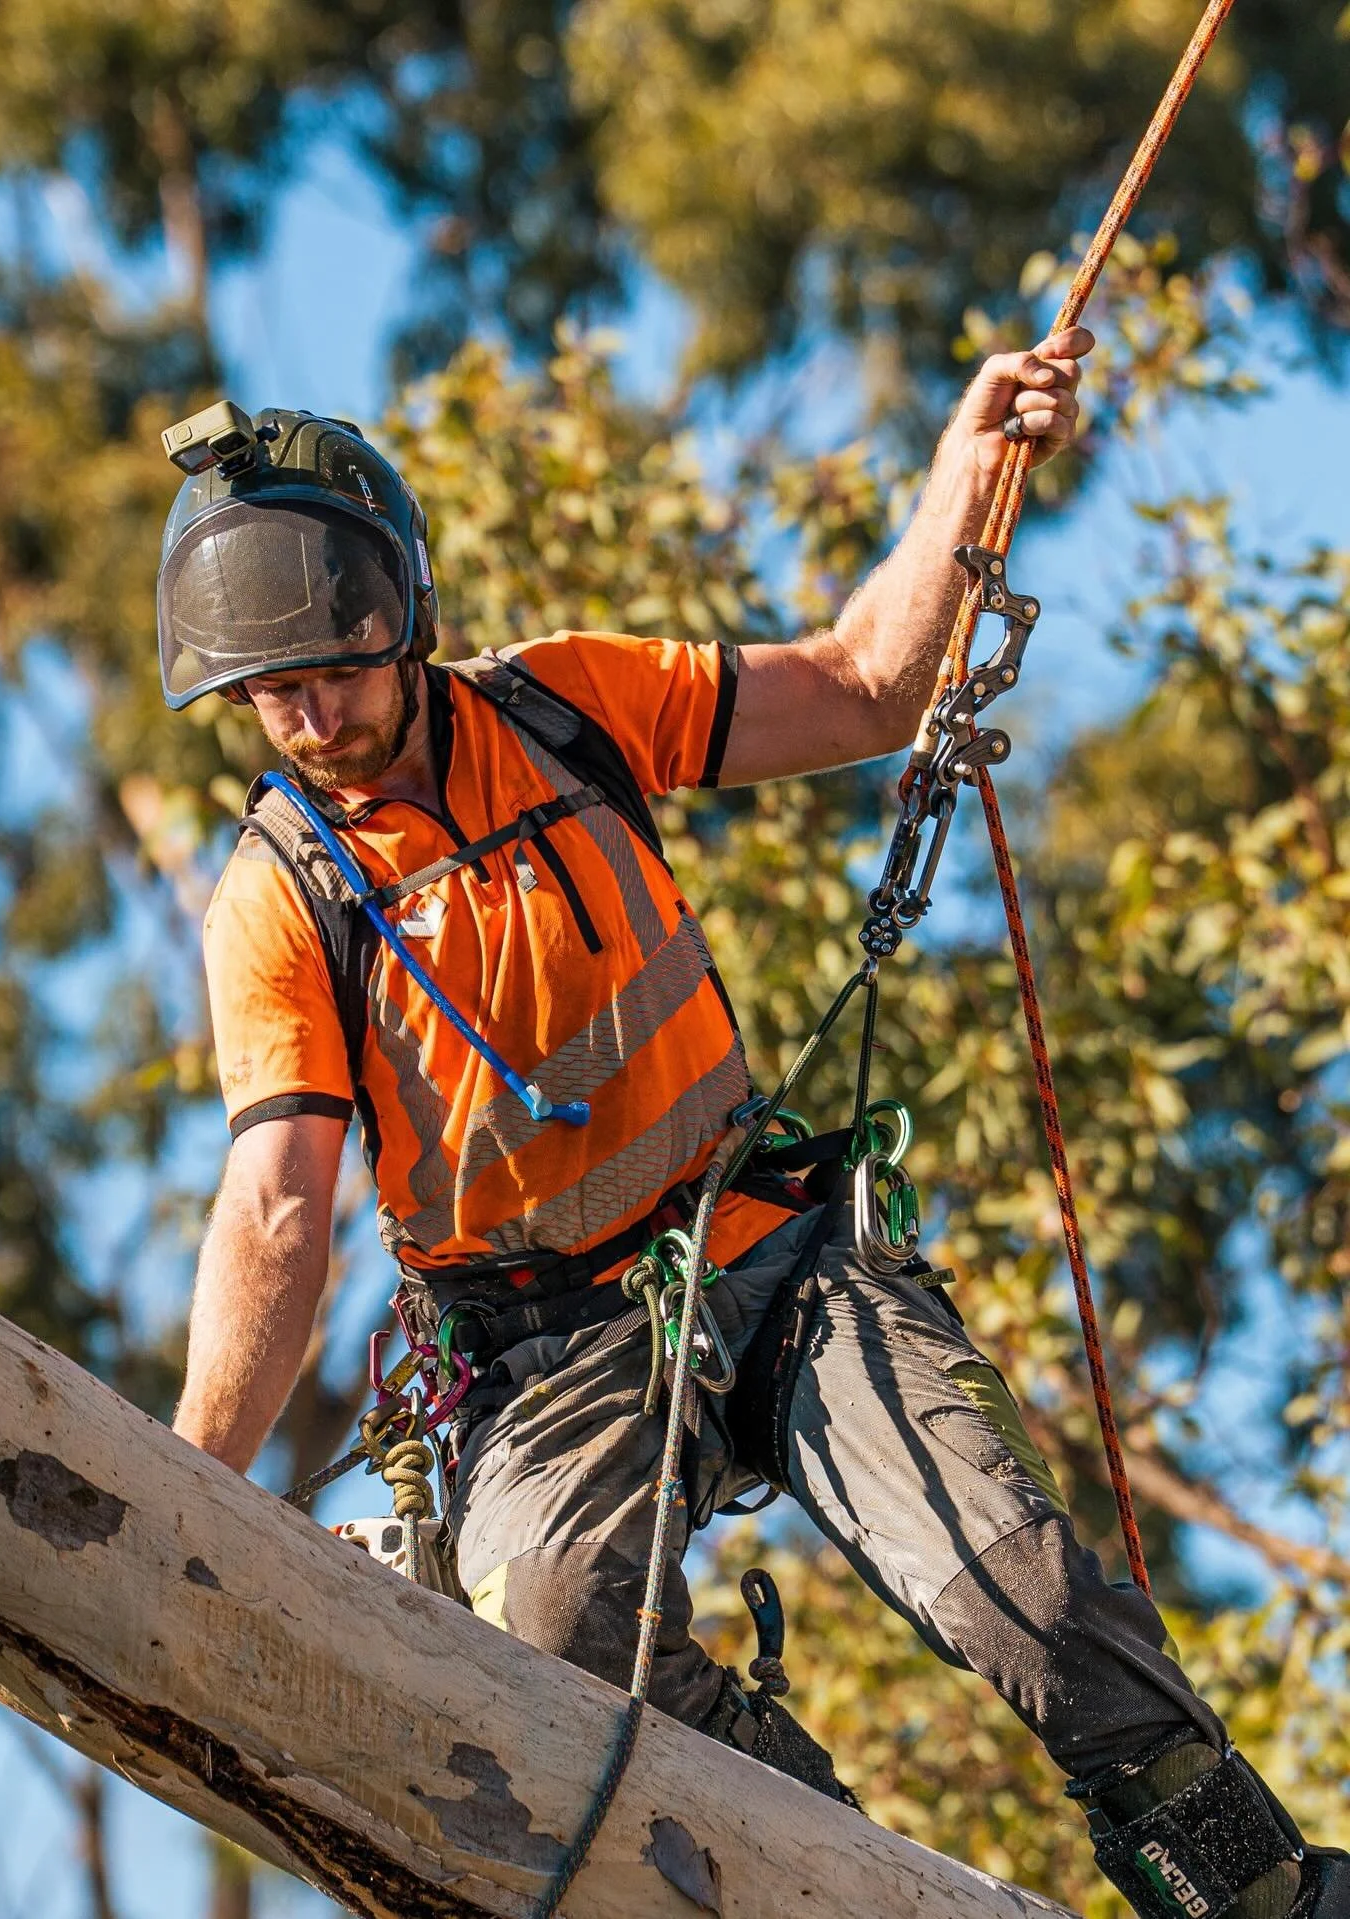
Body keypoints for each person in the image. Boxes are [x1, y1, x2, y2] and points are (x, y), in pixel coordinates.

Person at [163, 339, 1345, 1919]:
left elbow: (867, 683)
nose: (305, 713)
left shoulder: (563, 708)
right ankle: (865, 1888)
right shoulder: (278, 901)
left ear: (407, 615)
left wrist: (968, 467)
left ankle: (1265, 1894)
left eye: (332, 665)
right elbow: (275, 1211)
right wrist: (185, 1495)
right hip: (539, 1352)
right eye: (265, 692)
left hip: (767, 1248)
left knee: (1020, 1586)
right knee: (564, 1653)